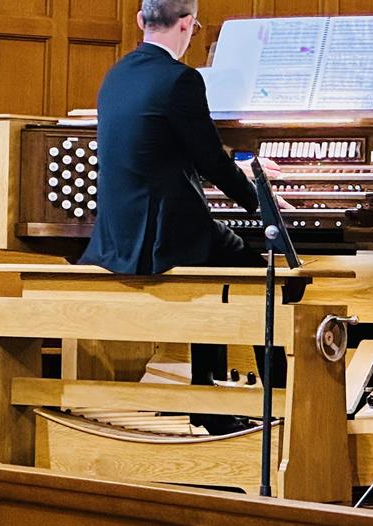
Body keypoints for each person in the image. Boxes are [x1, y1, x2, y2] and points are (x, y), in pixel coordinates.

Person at [79, 0, 288, 434]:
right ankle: (285, 404)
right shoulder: (181, 79)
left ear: (141, 21)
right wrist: (261, 204)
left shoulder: (115, 75)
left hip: (116, 232)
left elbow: (173, 146)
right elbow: (210, 160)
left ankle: (206, 401)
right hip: (162, 235)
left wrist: (242, 167)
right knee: (259, 276)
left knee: (217, 274)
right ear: (189, 25)